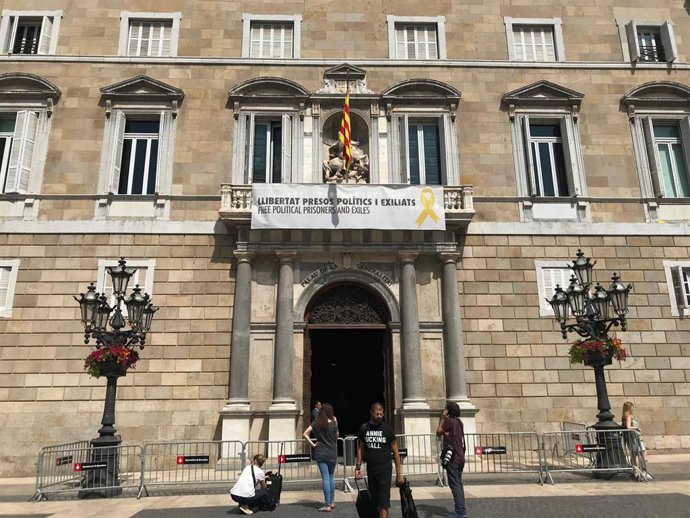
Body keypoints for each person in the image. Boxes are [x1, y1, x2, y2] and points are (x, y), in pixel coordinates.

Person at [355, 402, 404, 518]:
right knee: (375, 500)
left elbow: (396, 453)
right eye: (377, 414)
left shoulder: (388, 429)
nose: (379, 416)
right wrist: (358, 466)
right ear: (371, 413)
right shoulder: (364, 428)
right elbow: (361, 448)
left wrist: (399, 474)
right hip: (371, 469)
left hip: (385, 469)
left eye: (381, 414)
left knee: (384, 502)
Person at [303, 402, 339, 511]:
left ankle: (327, 504)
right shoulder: (334, 421)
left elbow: (305, 433)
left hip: (321, 452)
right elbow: (337, 436)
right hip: (332, 451)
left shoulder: (316, 423)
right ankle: (332, 502)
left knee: (325, 478)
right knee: (331, 477)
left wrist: (313, 444)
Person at [436, 401, 467, 518]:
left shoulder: (449, 421)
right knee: (459, 484)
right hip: (460, 458)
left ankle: (460, 512)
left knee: (455, 485)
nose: (444, 410)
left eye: (445, 409)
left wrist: (442, 418)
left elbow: (438, 432)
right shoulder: (459, 422)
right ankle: (462, 510)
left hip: (453, 459)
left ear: (448, 411)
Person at [622, 401, 653, 480]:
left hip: (632, 438)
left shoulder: (625, 416)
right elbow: (628, 427)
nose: (633, 408)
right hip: (634, 438)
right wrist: (636, 428)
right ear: (629, 408)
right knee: (641, 452)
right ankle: (642, 470)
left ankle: (636, 471)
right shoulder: (629, 416)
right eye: (632, 407)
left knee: (634, 454)